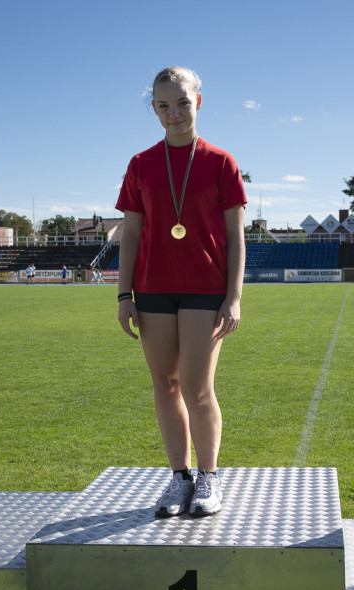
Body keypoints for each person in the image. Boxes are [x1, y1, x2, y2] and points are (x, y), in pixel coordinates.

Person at [116, 66, 246, 517]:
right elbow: (130, 235)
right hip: (152, 290)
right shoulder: (140, 164)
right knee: (165, 384)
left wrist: (234, 297)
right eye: (164, 105)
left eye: (182, 103)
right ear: (154, 108)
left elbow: (236, 237)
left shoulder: (220, 161)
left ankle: (209, 478)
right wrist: (123, 294)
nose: (174, 113)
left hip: (204, 289)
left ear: (199, 102)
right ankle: (179, 477)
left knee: (197, 387)